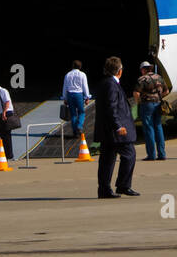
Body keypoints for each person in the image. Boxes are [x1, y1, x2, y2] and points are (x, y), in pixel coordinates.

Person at [93, 56, 138, 198]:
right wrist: (118, 126)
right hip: (115, 131)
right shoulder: (112, 85)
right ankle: (123, 185)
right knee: (129, 154)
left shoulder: (105, 83)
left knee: (107, 159)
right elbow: (111, 107)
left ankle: (104, 189)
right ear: (119, 71)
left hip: (107, 130)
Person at [134, 60, 167, 161]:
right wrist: (158, 97)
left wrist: (138, 102)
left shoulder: (142, 79)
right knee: (158, 127)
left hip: (147, 104)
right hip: (158, 104)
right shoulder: (159, 77)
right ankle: (162, 154)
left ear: (143, 69)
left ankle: (151, 155)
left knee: (149, 129)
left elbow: (136, 93)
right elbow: (167, 91)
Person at [62, 59, 92, 145]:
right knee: (81, 112)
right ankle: (79, 126)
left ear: (72, 66)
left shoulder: (68, 75)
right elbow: (85, 86)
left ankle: (75, 132)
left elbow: (65, 87)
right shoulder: (82, 75)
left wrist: (65, 98)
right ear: (80, 67)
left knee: (73, 114)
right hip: (79, 94)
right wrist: (87, 97)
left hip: (70, 94)